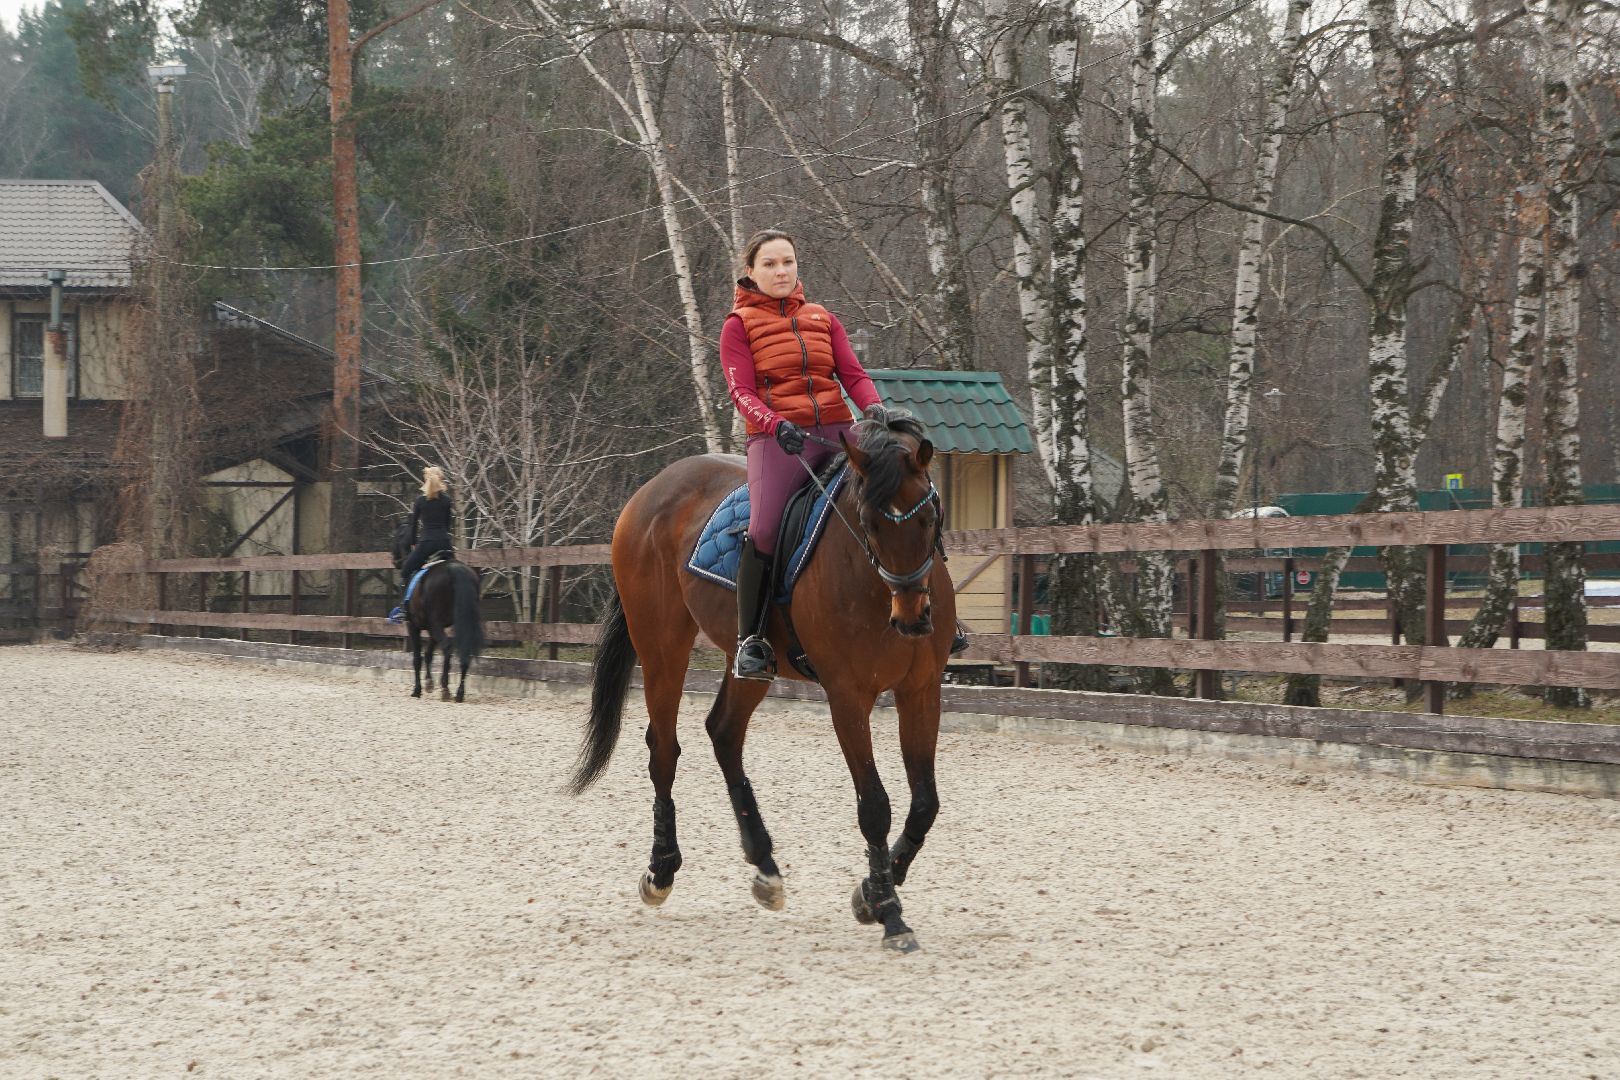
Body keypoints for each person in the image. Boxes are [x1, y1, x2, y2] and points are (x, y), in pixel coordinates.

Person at [721, 229, 885, 681]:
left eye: (787, 262)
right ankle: (750, 640)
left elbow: (853, 374)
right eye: (770, 264)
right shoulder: (738, 326)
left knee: (900, 494)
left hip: (837, 429)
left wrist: (873, 407)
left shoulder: (823, 318)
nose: (781, 271)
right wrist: (775, 424)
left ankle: (926, 613)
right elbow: (740, 391)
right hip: (778, 439)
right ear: (750, 272)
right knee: (766, 527)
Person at [389, 465, 455, 622]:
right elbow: (447, 526)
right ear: (441, 480)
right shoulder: (447, 501)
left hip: (426, 543)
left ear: (426, 480)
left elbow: (413, 527)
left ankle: (404, 610)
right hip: (444, 543)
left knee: (406, 571)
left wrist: (413, 544)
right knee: (455, 570)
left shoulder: (419, 501)